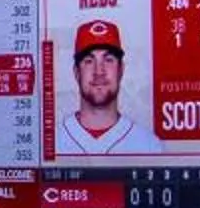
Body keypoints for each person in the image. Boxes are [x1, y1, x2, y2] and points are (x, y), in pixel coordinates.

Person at [59, 20, 159, 155]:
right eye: (89, 61)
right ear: (77, 73)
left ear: (121, 70)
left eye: (108, 60)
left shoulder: (149, 146)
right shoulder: (52, 143)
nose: (99, 72)